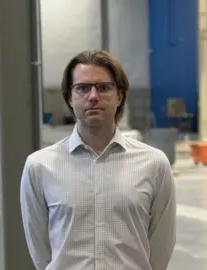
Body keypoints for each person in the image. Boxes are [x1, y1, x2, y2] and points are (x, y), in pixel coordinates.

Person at [20, 50, 176, 270]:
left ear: (120, 96)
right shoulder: (39, 167)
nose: (93, 96)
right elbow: (40, 251)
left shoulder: (154, 164)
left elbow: (161, 247)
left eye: (103, 87)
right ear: (69, 97)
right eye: (82, 88)